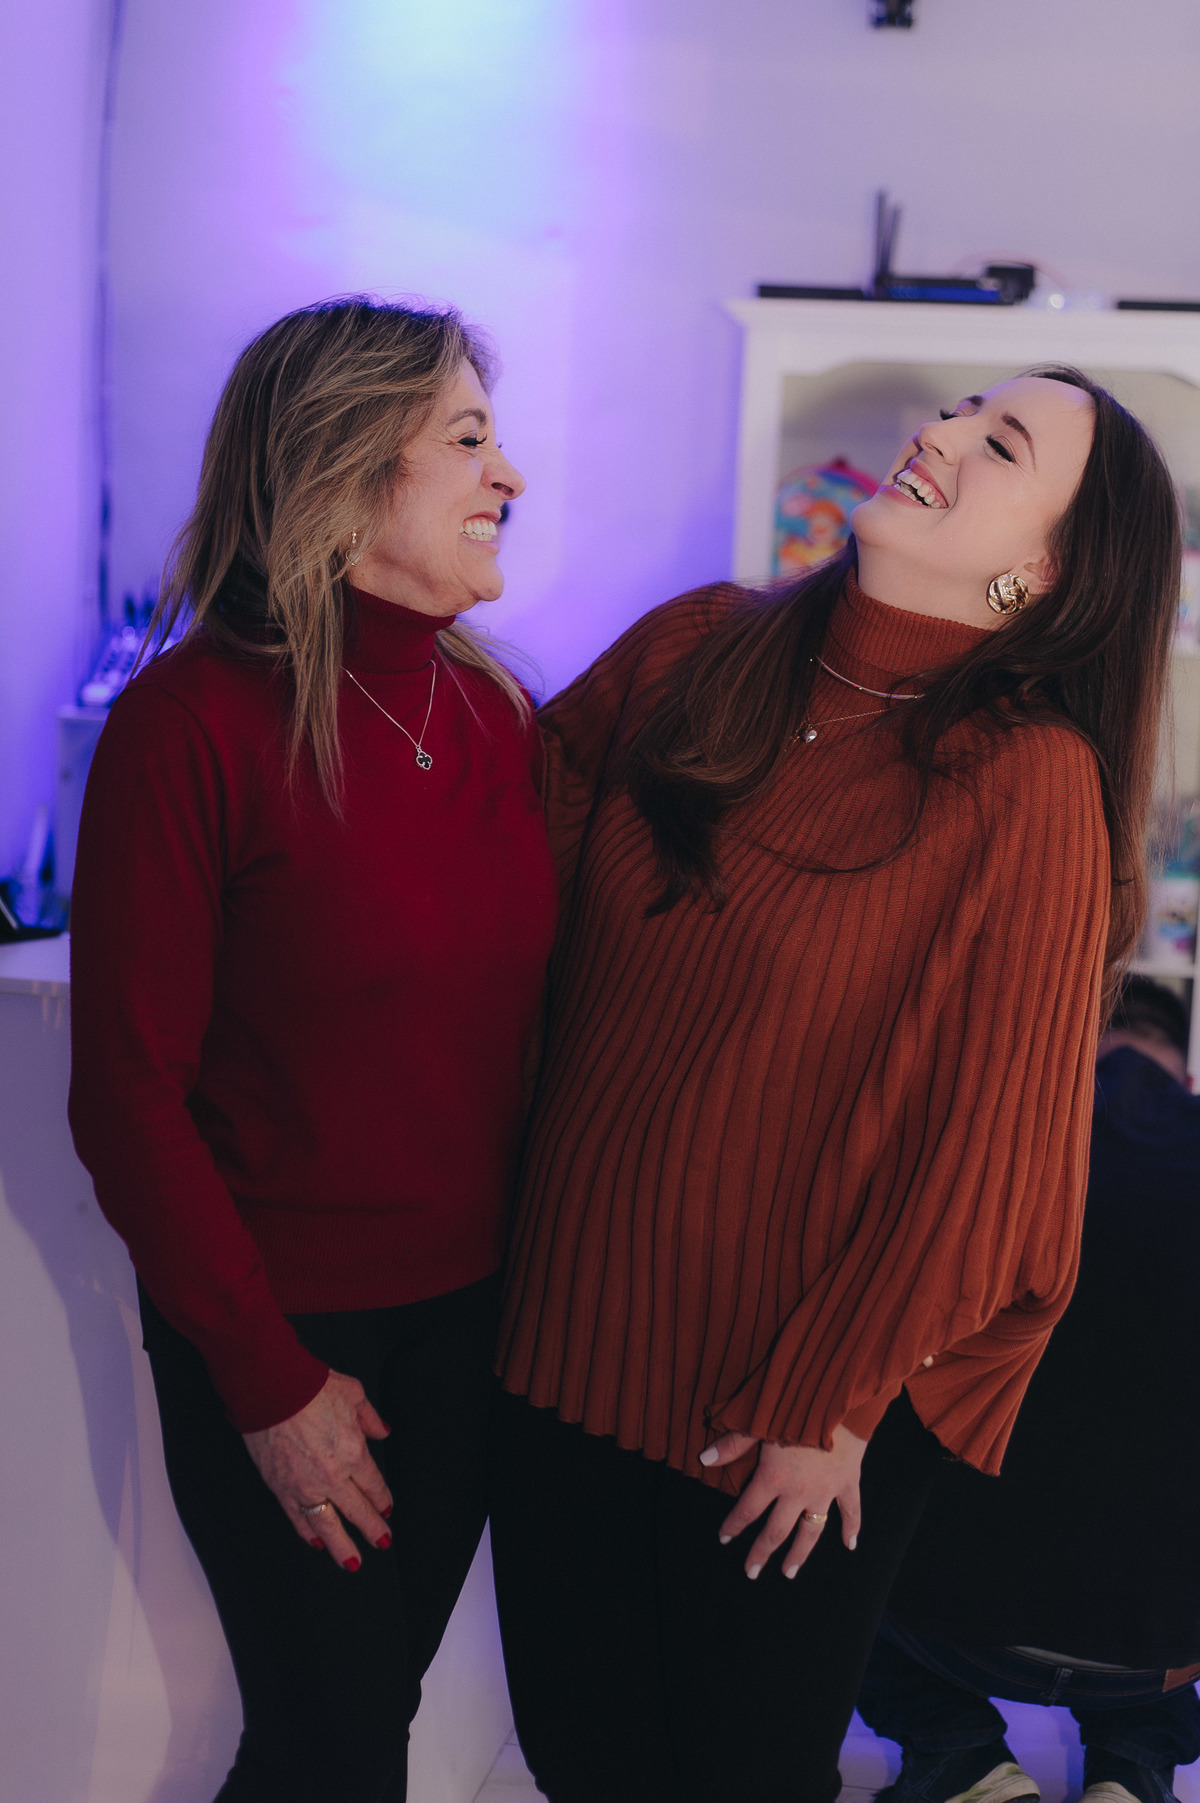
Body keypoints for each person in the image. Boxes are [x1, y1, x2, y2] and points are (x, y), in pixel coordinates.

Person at [488, 368, 1182, 1803]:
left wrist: (833, 1399)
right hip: (563, 1330)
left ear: (1048, 573)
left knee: (738, 1776)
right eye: (962, 409)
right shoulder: (697, 644)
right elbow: (492, 859)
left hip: (790, 1395)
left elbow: (993, 1151)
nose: (940, 433)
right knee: (581, 1761)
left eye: (1000, 444)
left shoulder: (1030, 782)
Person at [67, 298, 557, 1803]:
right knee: (342, 1752)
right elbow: (127, 1095)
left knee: (333, 1738)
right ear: (346, 467)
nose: (510, 475)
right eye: (467, 438)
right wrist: (270, 1381)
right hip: (283, 1330)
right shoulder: (188, 725)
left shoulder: (496, 710)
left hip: (471, 1327)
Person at [857, 977, 1200, 1803]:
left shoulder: (985, 1146)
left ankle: (959, 1755)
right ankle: (1134, 1766)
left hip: (949, 1633)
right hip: (1164, 1655)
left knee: (812, 1501)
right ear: (1185, 1070)